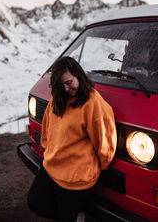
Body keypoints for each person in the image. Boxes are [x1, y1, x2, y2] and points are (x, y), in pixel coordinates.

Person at [27, 56, 117, 222]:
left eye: (69, 83)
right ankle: (74, 215)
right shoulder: (58, 99)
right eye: (62, 86)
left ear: (78, 75)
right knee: (35, 202)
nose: (67, 89)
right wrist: (49, 150)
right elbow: (47, 128)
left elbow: (105, 145)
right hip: (52, 165)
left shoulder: (93, 104)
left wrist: (100, 167)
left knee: (66, 217)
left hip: (76, 176)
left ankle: (74, 215)